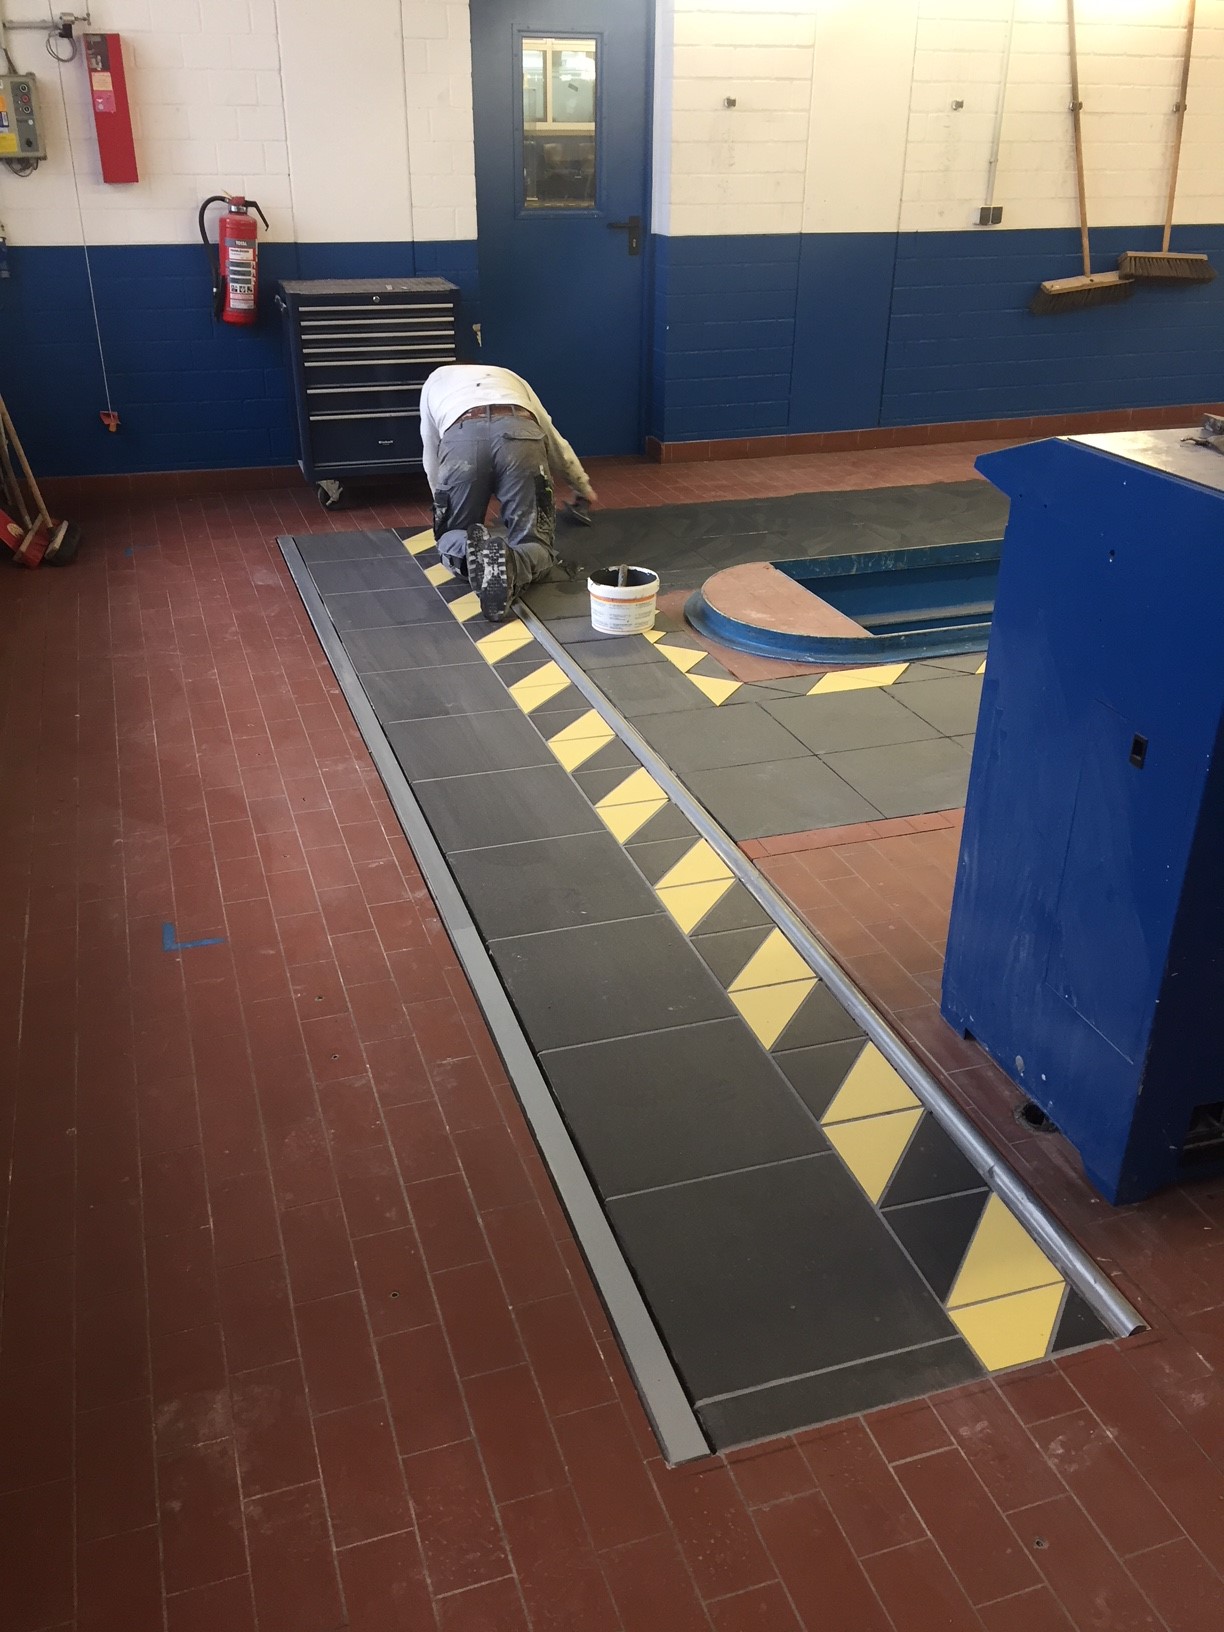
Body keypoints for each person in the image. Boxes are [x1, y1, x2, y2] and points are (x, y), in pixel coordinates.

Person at [419, 362, 598, 621]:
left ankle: (475, 553)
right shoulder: (511, 377)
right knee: (534, 542)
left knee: (450, 535)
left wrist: (442, 507)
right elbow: (555, 441)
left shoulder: (435, 380)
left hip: (461, 437)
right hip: (520, 433)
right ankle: (514, 562)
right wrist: (581, 486)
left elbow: (431, 450)